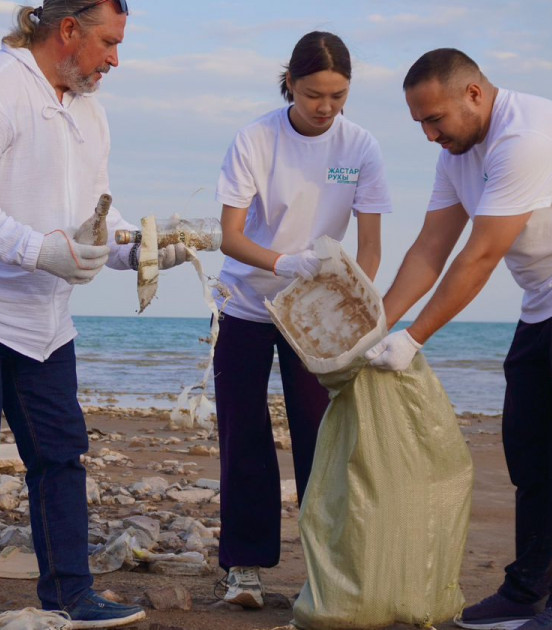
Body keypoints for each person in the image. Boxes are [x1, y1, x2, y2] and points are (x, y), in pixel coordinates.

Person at [0, 2, 186, 629]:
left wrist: (149, 248)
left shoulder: (90, 111)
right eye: (109, 43)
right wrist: (37, 251)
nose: (117, 58)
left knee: (60, 455)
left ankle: (70, 594)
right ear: (68, 31)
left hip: (44, 319)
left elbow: (97, 222)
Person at [365, 48, 552, 630]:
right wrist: (376, 327)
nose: (428, 134)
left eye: (435, 119)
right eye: (419, 122)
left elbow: (482, 255)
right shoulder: (458, 150)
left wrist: (413, 338)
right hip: (546, 295)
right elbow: (430, 249)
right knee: (528, 447)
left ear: (474, 94)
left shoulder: (528, 136)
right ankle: (528, 592)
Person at [212, 31, 393, 610]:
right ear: (290, 82)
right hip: (247, 304)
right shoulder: (255, 139)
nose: (326, 107)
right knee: (245, 437)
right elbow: (230, 236)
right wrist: (283, 263)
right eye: (315, 94)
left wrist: (351, 309)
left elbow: (369, 249)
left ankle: (324, 569)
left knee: (322, 439)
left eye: (338, 96)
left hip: (319, 313)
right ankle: (245, 567)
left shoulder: (360, 147)